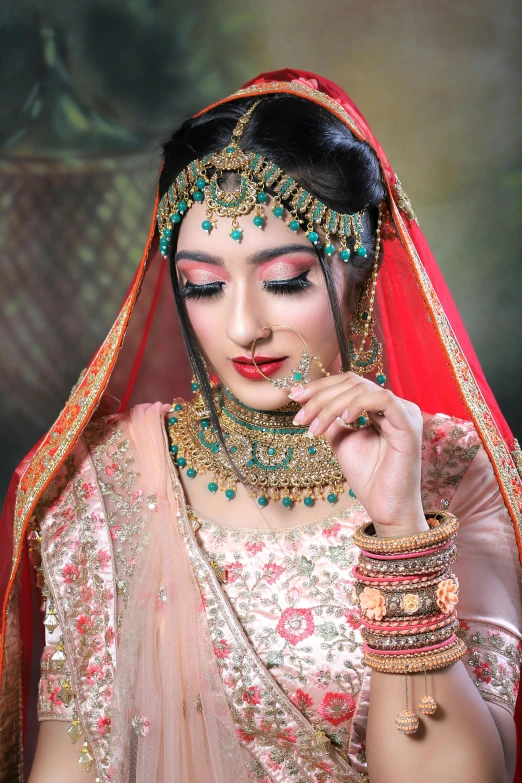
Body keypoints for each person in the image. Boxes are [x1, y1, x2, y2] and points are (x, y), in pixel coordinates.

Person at [1, 69, 521, 783]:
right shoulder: (107, 481)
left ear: (360, 272)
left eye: (283, 280)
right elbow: (69, 765)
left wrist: (400, 528)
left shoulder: (454, 472)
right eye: (204, 287)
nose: (244, 326)